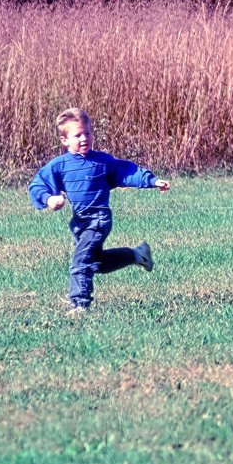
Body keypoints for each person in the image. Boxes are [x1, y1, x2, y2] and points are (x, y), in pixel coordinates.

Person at [28, 107, 170, 316]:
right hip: (80, 223)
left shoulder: (101, 162)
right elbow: (37, 184)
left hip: (99, 220)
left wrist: (152, 181)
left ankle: (80, 305)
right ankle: (137, 255)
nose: (84, 138)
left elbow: (126, 172)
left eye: (88, 133)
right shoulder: (59, 165)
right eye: (78, 135)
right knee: (96, 263)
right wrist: (49, 198)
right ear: (64, 140)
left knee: (81, 262)